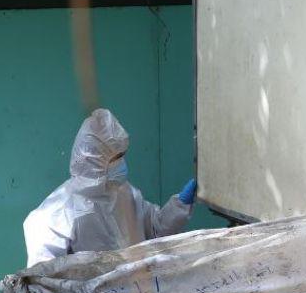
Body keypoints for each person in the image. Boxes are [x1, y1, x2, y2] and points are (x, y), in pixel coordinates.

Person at [23, 108, 197, 266]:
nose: (123, 163)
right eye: (117, 157)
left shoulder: (125, 193)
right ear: (95, 160)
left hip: (137, 289)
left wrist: (180, 205)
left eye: (123, 155)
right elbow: (44, 280)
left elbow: (155, 230)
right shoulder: (57, 215)